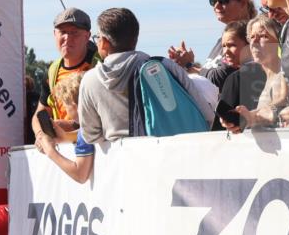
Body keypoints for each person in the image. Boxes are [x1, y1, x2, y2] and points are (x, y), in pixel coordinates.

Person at [78, 8, 214, 143]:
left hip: (121, 154)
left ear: (104, 42)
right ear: (135, 37)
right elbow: (207, 114)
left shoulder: (90, 80)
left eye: (97, 37)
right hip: (173, 149)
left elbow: (91, 136)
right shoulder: (164, 66)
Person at [168, 0, 256, 88]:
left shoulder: (252, 36)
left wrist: (189, 65)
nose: (216, 6)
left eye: (223, 0)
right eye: (213, 1)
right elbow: (210, 76)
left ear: (243, 2)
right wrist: (188, 65)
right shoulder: (222, 41)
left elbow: (219, 79)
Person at [30, 7, 100, 140]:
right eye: (62, 32)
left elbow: (109, 117)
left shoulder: (100, 66)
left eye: (74, 32)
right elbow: (39, 114)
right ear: (54, 34)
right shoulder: (52, 71)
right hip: (63, 147)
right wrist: (41, 136)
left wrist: (71, 126)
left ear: (87, 36)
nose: (67, 38)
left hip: (97, 147)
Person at [219, 15, 288, 132]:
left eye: (263, 36)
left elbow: (281, 103)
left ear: (279, 41)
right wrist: (242, 120)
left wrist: (251, 117)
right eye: (251, 37)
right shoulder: (268, 78)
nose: (254, 42)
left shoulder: (286, 74)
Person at [36, 73, 94, 184]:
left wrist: (50, 151)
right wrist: (65, 137)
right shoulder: (97, 122)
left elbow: (81, 175)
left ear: (73, 104)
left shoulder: (85, 131)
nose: (66, 110)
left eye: (65, 105)